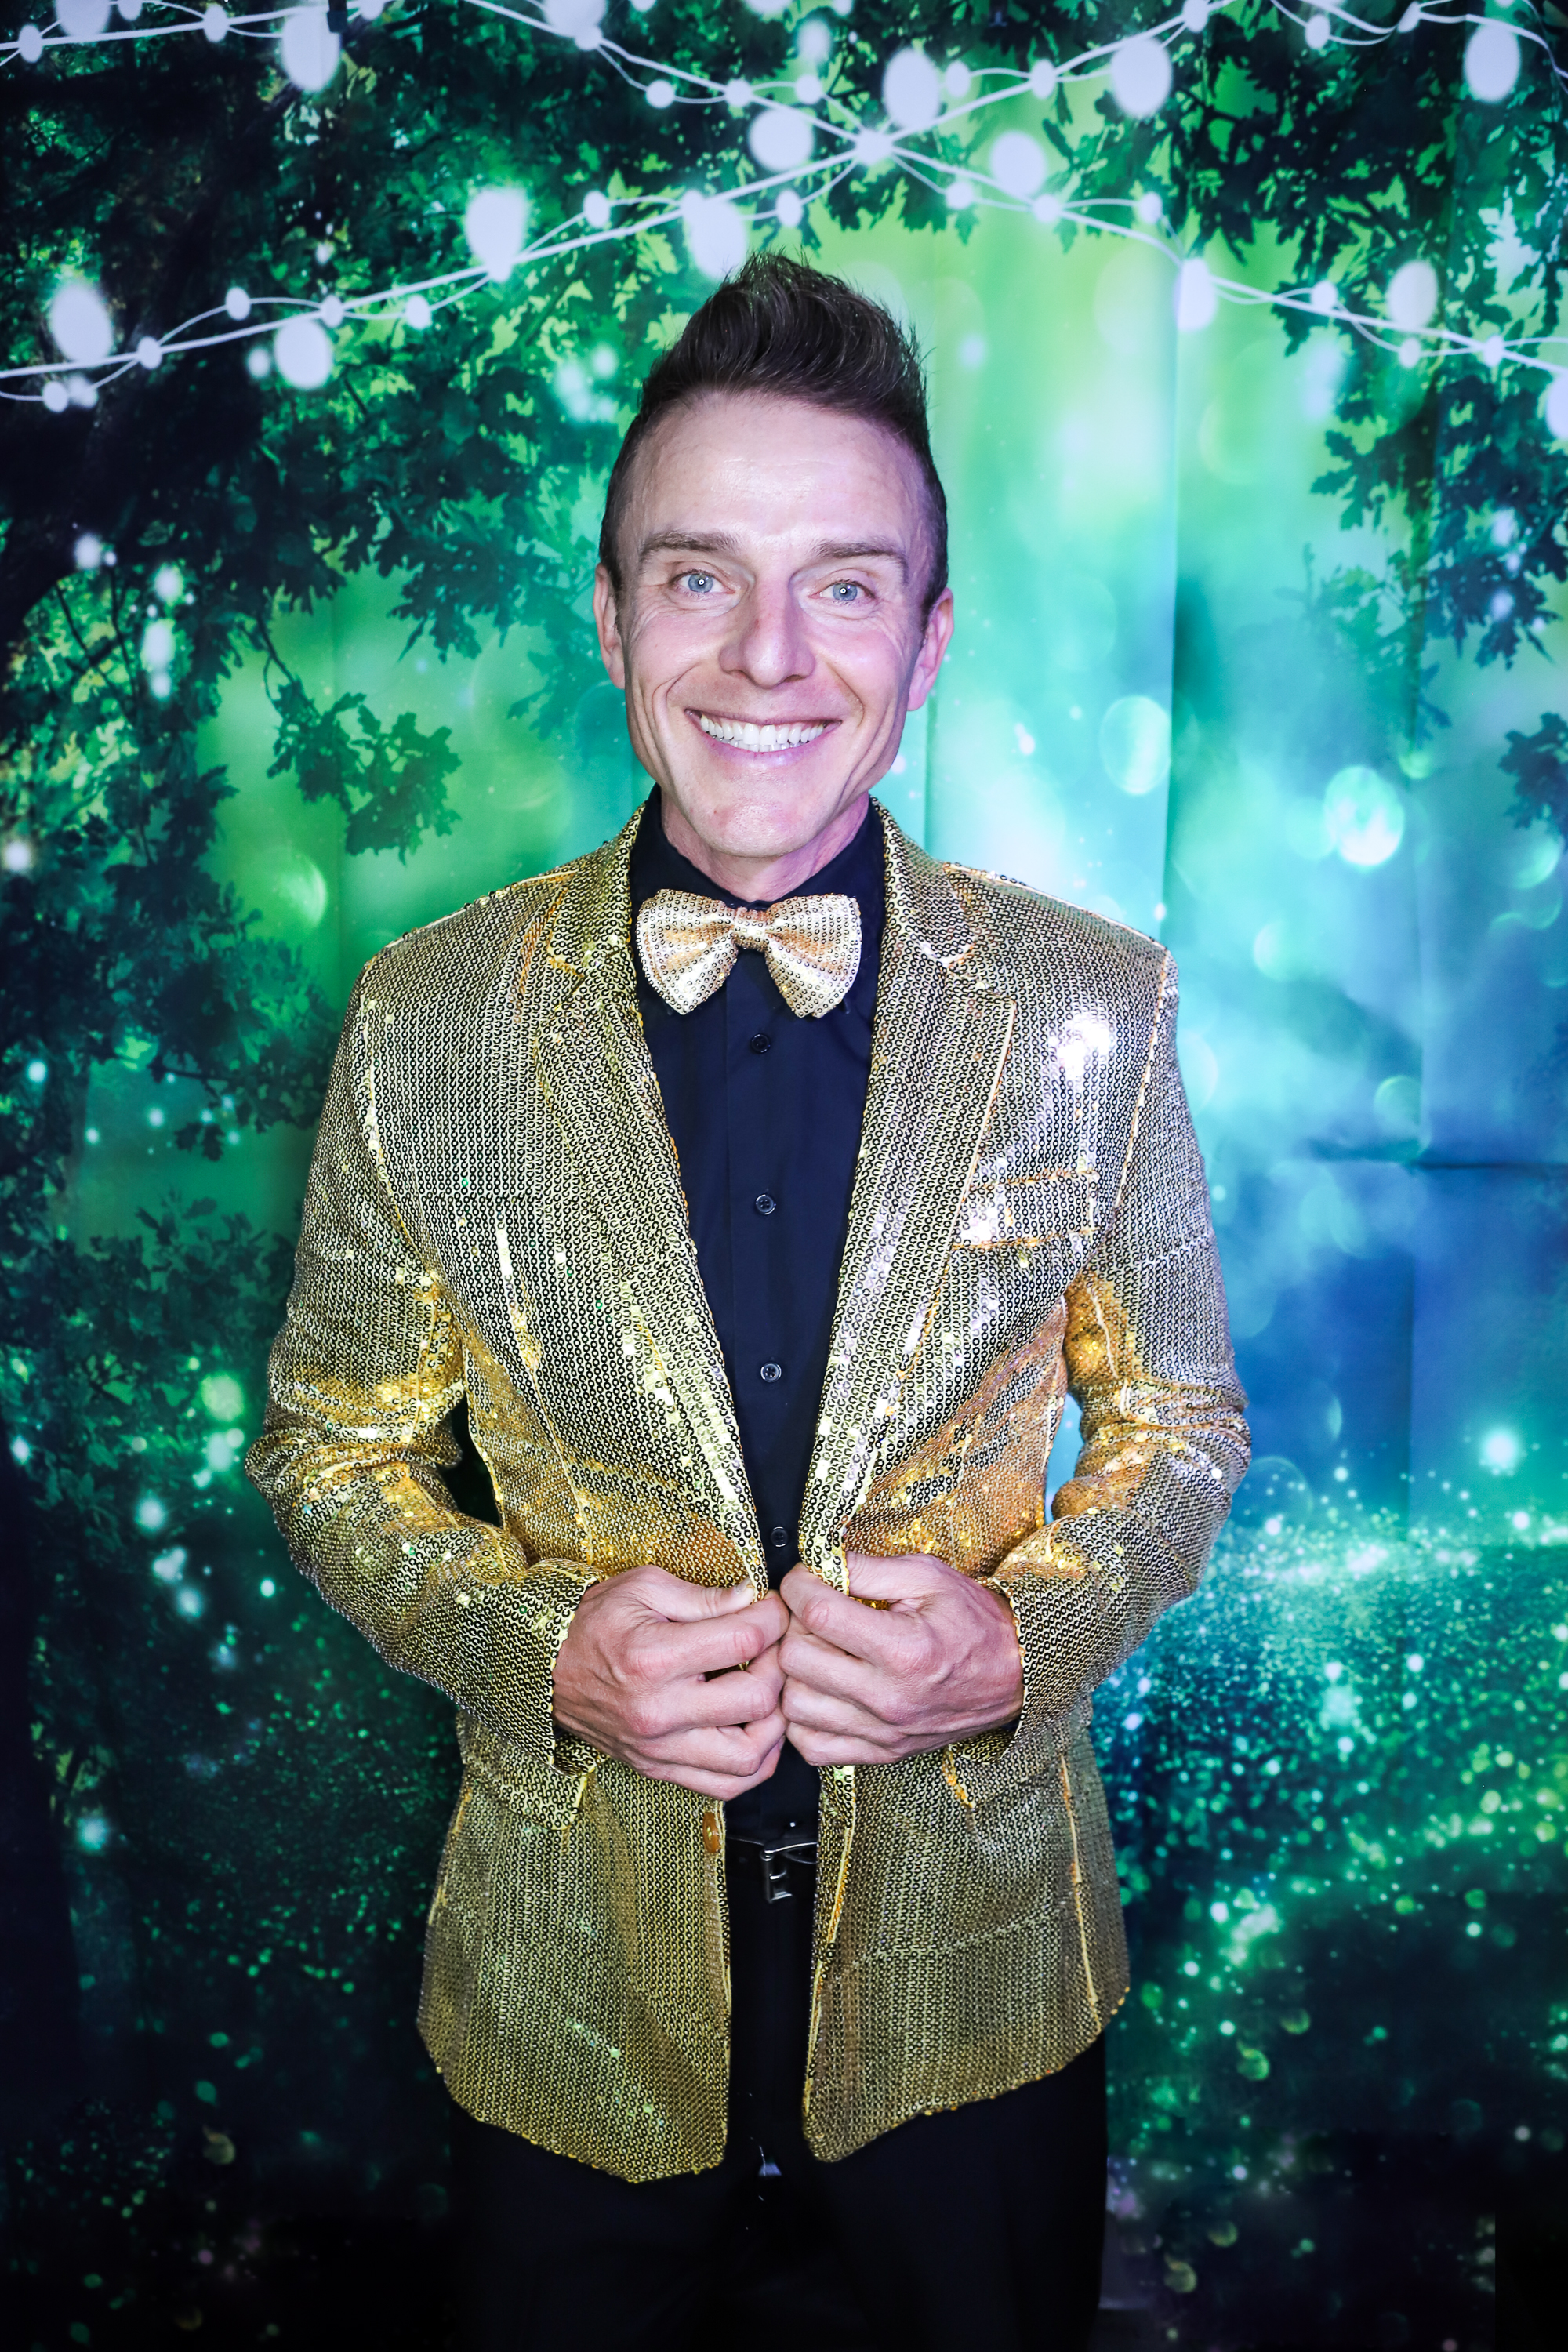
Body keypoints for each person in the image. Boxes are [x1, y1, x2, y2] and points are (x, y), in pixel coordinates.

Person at [247, 255, 1249, 2352]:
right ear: (613, 621)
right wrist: (537, 1649)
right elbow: (326, 1455)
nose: (771, 657)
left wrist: (1026, 1639)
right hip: (568, 2014)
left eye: (846, 587)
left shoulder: (1098, 1004)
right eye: (701, 578)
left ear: (930, 640)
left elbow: (1181, 1432)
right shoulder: (424, 1019)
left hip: (982, 2007)